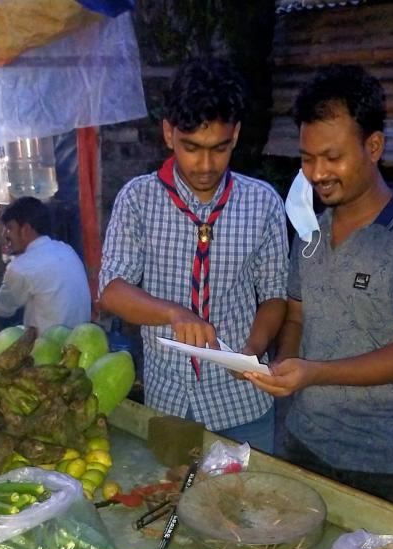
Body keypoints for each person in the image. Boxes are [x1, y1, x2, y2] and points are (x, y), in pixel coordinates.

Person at [245, 65, 393, 517]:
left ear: (373, 147)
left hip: (385, 460)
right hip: (304, 444)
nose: (317, 173)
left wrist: (313, 371)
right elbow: (297, 317)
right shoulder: (309, 233)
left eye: (332, 157)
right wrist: (282, 365)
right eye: (306, 158)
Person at [98, 58, 289, 454]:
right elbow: (112, 290)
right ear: (169, 133)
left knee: (248, 509)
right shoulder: (138, 199)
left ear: (235, 135)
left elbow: (274, 295)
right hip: (168, 402)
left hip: (243, 405)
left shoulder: (262, 202)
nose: (205, 165)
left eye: (219, 149)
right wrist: (174, 314)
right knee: (174, 505)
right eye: (192, 148)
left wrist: (253, 348)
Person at [0, 196, 92, 333]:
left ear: (25, 230)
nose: (5, 234)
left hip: (49, 347)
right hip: (80, 338)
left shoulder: (21, 267)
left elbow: (0, 309)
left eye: (9, 228)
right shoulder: (66, 249)